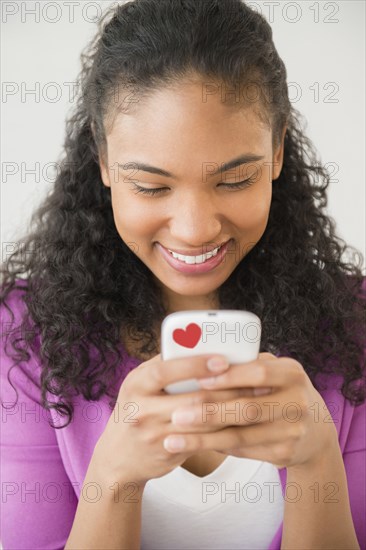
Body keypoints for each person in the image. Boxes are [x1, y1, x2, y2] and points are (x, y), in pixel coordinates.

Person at [1, 0, 365, 548]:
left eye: (235, 179)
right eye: (151, 186)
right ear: (102, 160)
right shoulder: (21, 340)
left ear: (277, 151)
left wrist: (317, 464)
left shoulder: (356, 327)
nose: (195, 229)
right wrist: (113, 479)